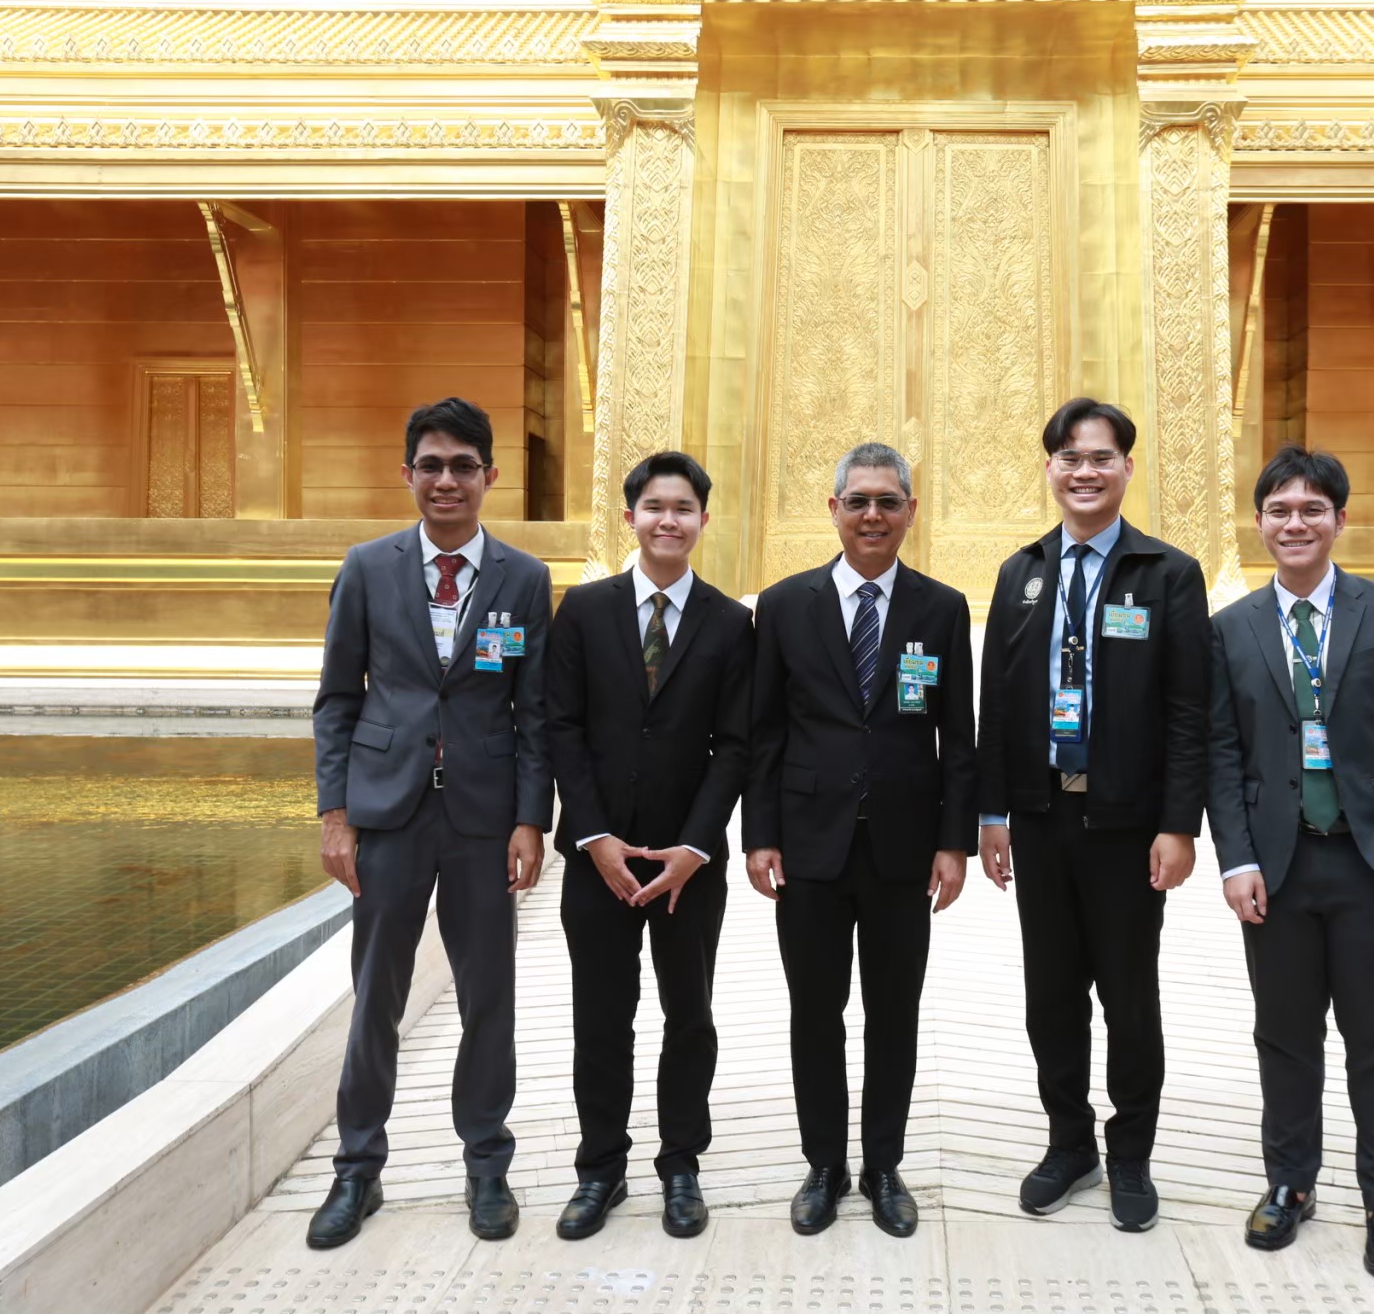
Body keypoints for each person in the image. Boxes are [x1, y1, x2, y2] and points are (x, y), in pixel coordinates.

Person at [1205, 442, 1374, 1281]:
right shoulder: (1232, 628)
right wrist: (1235, 859)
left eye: (1312, 508)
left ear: (1340, 520)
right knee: (1284, 1034)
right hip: (1276, 866)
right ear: (1260, 522)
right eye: (1280, 509)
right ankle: (1291, 1182)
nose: (1296, 522)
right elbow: (1222, 754)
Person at [308, 396, 552, 1248]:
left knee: (489, 997)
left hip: (483, 819)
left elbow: (534, 712)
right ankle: (356, 1168)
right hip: (389, 812)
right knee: (377, 994)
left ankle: (486, 1164)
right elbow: (337, 700)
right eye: (432, 465)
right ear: (408, 473)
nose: (447, 480)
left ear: (490, 476)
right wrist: (335, 813)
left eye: (463, 466)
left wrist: (532, 820)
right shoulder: (367, 568)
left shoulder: (524, 578)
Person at [976, 398, 1210, 1234]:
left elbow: (1189, 709)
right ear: (1050, 469)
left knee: (1128, 994)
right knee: (1051, 994)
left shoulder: (1167, 573)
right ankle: (1069, 1141)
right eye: (1069, 457)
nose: (1085, 471)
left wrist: (1179, 822)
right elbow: (997, 701)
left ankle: (1132, 1152)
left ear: (1126, 469)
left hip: (1126, 826)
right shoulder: (1022, 572)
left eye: (1101, 457)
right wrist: (992, 812)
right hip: (1041, 819)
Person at [742, 442, 974, 1239]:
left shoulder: (941, 608)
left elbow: (958, 736)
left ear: (911, 511)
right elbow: (765, 732)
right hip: (808, 846)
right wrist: (760, 834)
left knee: (894, 1013)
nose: (873, 515)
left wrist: (954, 842)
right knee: (815, 1010)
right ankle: (824, 1164)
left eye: (888, 501)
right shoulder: (784, 605)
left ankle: (882, 1164)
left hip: (904, 851)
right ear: (834, 509)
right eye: (859, 501)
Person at [545, 451, 753, 1241]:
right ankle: (600, 1167)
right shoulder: (584, 609)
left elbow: (736, 746)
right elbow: (563, 726)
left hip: (687, 864)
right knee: (601, 1017)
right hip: (597, 858)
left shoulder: (730, 623)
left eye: (684, 508)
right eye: (656, 506)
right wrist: (594, 837)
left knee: (688, 1014)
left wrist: (694, 847)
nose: (670, 520)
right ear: (630, 515)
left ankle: (681, 1162)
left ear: (703, 520)